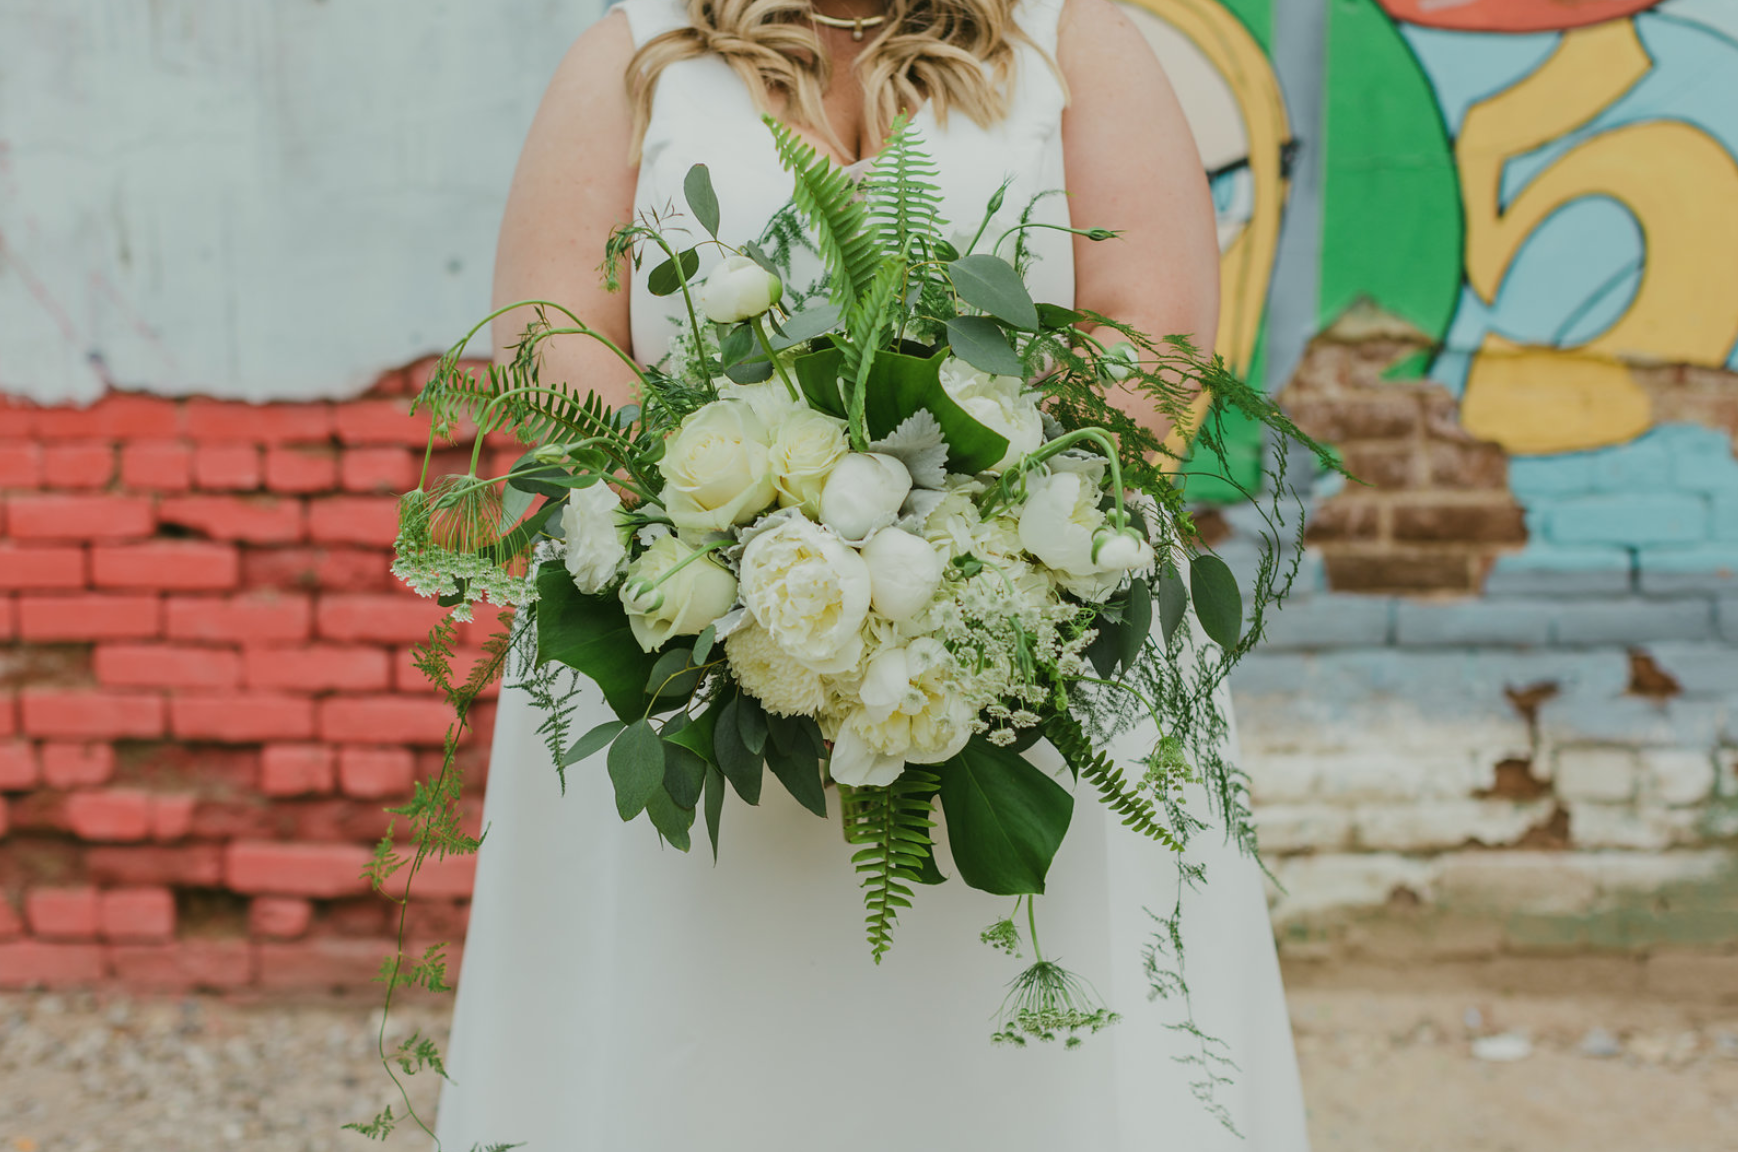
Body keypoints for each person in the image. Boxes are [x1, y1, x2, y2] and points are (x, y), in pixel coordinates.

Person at [435, 0, 1310, 1147]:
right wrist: (729, 521)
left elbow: (1152, 336)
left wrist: (982, 549)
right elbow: (551, 336)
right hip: (693, 644)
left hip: (1032, 646)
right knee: (700, 1035)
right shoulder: (636, 51)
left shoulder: (1075, 42)